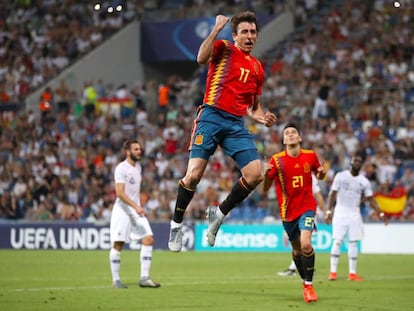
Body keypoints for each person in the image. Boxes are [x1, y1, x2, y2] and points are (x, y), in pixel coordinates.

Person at [168, 11, 277, 251]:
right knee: (194, 174)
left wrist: (262, 117)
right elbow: (200, 58)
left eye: (253, 32)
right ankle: (176, 224)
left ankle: (218, 214)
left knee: (256, 173)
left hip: (235, 123)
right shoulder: (224, 48)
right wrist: (216, 29)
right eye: (245, 32)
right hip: (211, 116)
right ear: (235, 35)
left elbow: (253, 107)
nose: (250, 36)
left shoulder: (257, 68)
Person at [263, 123, 326, 303]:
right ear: (283, 140)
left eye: (293, 132)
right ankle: (304, 281)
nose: (290, 135)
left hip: (307, 207)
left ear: (299, 138)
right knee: (297, 250)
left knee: (306, 244)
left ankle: (308, 285)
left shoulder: (310, 155)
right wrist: (266, 174)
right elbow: (265, 189)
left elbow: (319, 174)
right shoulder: (276, 160)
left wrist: (322, 173)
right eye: (287, 133)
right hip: (287, 212)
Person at [326, 155, 388, 281]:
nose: (357, 163)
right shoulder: (340, 176)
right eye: (355, 161)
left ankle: (352, 273)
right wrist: (328, 211)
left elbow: (371, 200)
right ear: (351, 163)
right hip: (340, 212)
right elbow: (332, 193)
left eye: (360, 162)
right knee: (337, 241)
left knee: (353, 242)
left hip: (354, 213)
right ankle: (333, 272)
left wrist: (381, 213)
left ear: (361, 165)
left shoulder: (364, 181)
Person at [109, 140, 160, 289]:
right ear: (127, 152)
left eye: (140, 149)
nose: (139, 151)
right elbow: (119, 193)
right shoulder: (121, 168)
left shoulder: (138, 168)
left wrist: (138, 206)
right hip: (123, 211)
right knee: (118, 244)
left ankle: (144, 277)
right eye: (136, 149)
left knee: (148, 239)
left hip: (136, 211)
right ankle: (116, 280)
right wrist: (136, 206)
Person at [278, 174, 330, 276]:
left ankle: (295, 269)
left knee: (304, 242)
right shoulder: (292, 172)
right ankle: (301, 268)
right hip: (293, 212)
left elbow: (317, 195)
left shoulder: (309, 176)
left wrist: (325, 212)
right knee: (299, 244)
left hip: (306, 211)